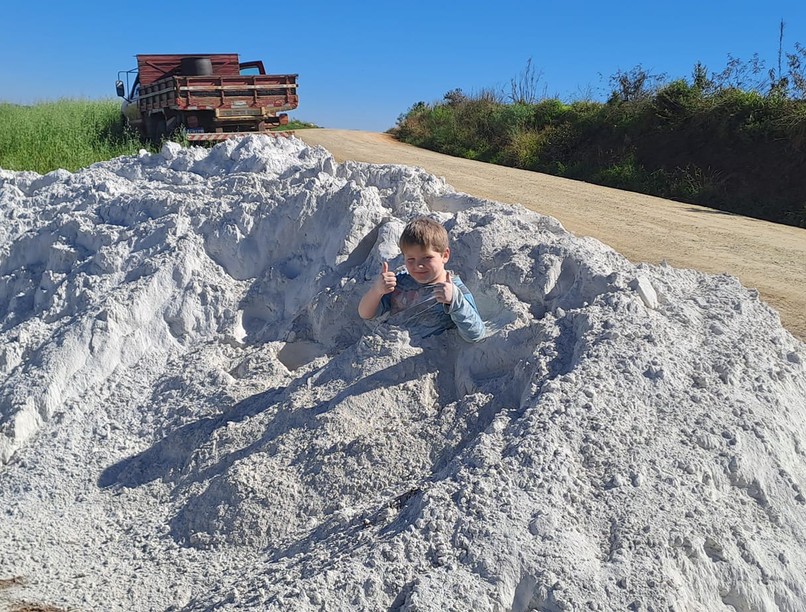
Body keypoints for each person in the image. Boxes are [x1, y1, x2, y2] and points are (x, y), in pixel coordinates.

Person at [358, 217, 486, 342]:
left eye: (427, 258)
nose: (418, 265)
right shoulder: (400, 284)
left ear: (445, 255)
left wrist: (454, 301)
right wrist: (377, 290)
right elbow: (366, 313)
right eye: (411, 259)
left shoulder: (454, 290)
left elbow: (476, 334)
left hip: (423, 357)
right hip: (387, 345)